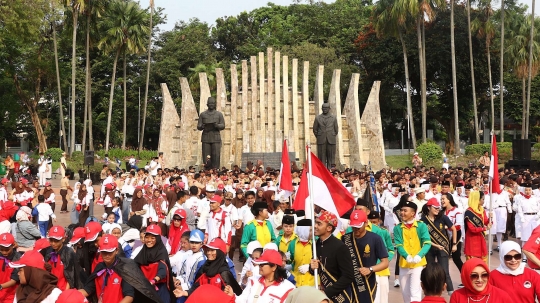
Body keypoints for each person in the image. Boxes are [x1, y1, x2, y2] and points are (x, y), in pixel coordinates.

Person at [80, 234, 162, 303]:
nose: (107, 255)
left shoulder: (125, 268)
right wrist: (70, 295)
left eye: (110, 251)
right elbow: (88, 289)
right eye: (104, 252)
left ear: (116, 250)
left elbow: (129, 296)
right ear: (100, 251)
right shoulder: (99, 268)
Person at [343, 210, 389, 302]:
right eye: (354, 227)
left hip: (367, 283)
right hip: (349, 283)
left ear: (366, 223)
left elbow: (385, 262)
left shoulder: (375, 238)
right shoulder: (345, 239)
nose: (356, 229)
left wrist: (370, 269)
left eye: (358, 227)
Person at [310, 210, 355, 303]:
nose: (315, 226)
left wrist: (327, 292)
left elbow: (348, 276)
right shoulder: (315, 245)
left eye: (319, 224)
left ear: (329, 228)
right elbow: (318, 270)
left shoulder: (340, 247)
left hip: (340, 295)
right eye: (315, 223)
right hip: (323, 294)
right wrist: (312, 268)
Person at [393, 198, 432, 303]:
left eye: (405, 211)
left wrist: (419, 255)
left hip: (418, 264)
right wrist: (407, 256)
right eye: (401, 210)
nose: (402, 213)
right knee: (405, 293)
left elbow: (427, 243)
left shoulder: (421, 226)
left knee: (415, 291)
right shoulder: (397, 228)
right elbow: (399, 245)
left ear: (413, 213)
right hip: (404, 264)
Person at [175, 238, 241, 298]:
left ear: (219, 253)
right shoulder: (204, 268)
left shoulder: (225, 274)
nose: (209, 253)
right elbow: (196, 288)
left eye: (212, 250)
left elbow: (233, 295)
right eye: (208, 250)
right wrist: (183, 293)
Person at [227, 249, 295, 302]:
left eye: (262, 264)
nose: (259, 266)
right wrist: (232, 296)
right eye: (259, 264)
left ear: (274, 267)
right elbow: (242, 300)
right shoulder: (253, 281)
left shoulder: (288, 289)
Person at [420, 198, 457, 295]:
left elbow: (453, 229)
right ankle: (431, 291)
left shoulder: (443, 218)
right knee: (429, 270)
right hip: (429, 248)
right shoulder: (423, 221)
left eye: (438, 208)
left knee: (445, 271)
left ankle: (451, 292)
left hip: (443, 247)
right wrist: (434, 244)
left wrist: (454, 244)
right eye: (435, 207)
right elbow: (423, 238)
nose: (437, 209)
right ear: (429, 208)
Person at [133, 224, 175, 303]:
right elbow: (135, 266)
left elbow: (163, 271)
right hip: (145, 289)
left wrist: (153, 280)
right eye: (147, 237)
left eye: (153, 238)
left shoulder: (161, 253)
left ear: (158, 239)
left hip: (159, 288)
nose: (149, 240)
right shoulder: (143, 252)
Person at [45, 225, 82, 291]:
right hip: (51, 289)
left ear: (63, 239)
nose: (53, 243)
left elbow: (71, 276)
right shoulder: (49, 251)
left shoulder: (68, 253)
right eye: (51, 240)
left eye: (56, 240)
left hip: (64, 289)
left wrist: (65, 292)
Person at [197, 97, 225, 169]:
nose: (211, 105)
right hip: (206, 137)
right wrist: (202, 126)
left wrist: (217, 125)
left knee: (216, 155)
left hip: (215, 137)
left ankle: (216, 169)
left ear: (215, 104)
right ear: (207, 104)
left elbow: (223, 125)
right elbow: (198, 126)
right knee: (206, 155)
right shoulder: (203, 114)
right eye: (210, 104)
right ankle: (206, 170)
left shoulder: (219, 114)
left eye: (212, 103)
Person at [464, 191, 491, 262]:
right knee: (472, 262)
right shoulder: (469, 212)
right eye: (482, 199)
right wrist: (484, 228)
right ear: (477, 200)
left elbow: (485, 221)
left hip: (481, 238)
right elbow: (472, 229)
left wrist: (490, 219)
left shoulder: (482, 210)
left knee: (482, 260)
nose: (483, 201)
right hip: (472, 240)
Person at [287, 218, 315, 287]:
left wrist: (309, 267)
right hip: (296, 281)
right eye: (310, 230)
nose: (313, 232)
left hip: (311, 281)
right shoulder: (292, 244)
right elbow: (290, 261)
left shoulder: (315, 243)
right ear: (303, 230)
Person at [313, 103, 339, 169]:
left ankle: (332, 171)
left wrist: (331, 135)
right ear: (321, 109)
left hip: (331, 139)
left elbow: (336, 130)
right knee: (321, 157)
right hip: (321, 140)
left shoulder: (333, 118)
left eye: (326, 108)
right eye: (323, 108)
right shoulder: (318, 118)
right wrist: (320, 136)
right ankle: (322, 171)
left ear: (329, 109)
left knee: (331, 157)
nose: (324, 110)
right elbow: (315, 129)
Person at [0, 233, 21, 302]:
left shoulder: (17, 259)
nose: (4, 252)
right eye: (1, 249)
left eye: (7, 250)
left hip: (10, 293)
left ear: (13, 245)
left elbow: (14, 280)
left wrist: (1, 286)